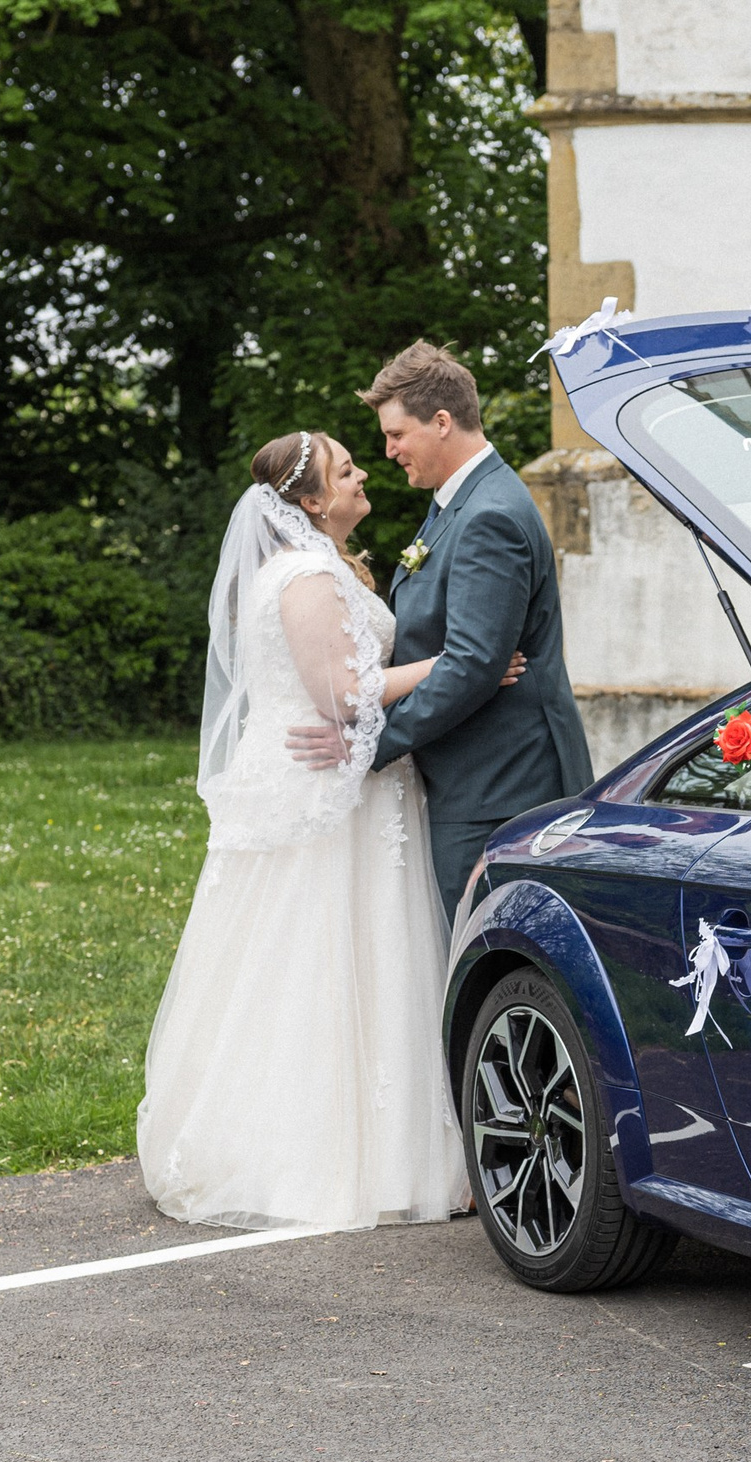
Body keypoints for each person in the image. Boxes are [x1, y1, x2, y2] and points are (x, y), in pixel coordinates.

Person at [135, 431, 523, 1231]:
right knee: (321, 955)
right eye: (347, 470)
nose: (363, 474)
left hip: (347, 784)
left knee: (364, 957)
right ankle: (319, 1156)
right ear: (310, 502)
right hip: (325, 795)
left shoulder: (321, 568)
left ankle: (390, 1144)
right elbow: (343, 693)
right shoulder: (305, 578)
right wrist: (463, 662)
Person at [287, 342, 592, 922]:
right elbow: (462, 655)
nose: (388, 450)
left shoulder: (489, 516)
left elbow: (474, 666)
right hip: (474, 777)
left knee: (492, 948)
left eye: (397, 434)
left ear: (443, 422)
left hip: (500, 787)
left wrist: (369, 746)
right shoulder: (459, 503)